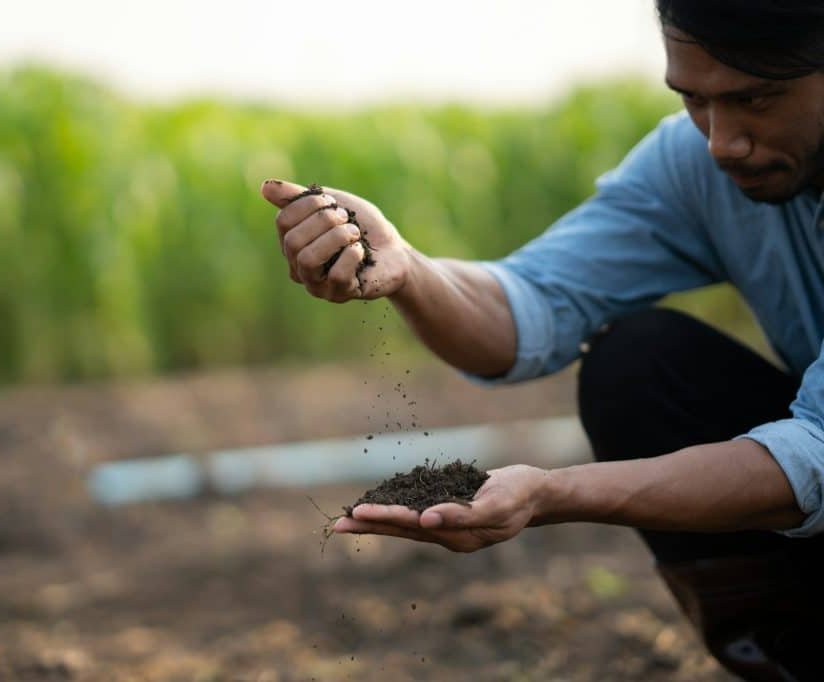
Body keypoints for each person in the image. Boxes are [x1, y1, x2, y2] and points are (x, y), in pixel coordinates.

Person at [260, 1, 824, 680]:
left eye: (756, 98)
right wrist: (408, 270)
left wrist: (551, 493)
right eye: (694, 99)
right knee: (639, 364)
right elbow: (532, 305)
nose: (722, 140)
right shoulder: (698, 165)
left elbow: (814, 459)